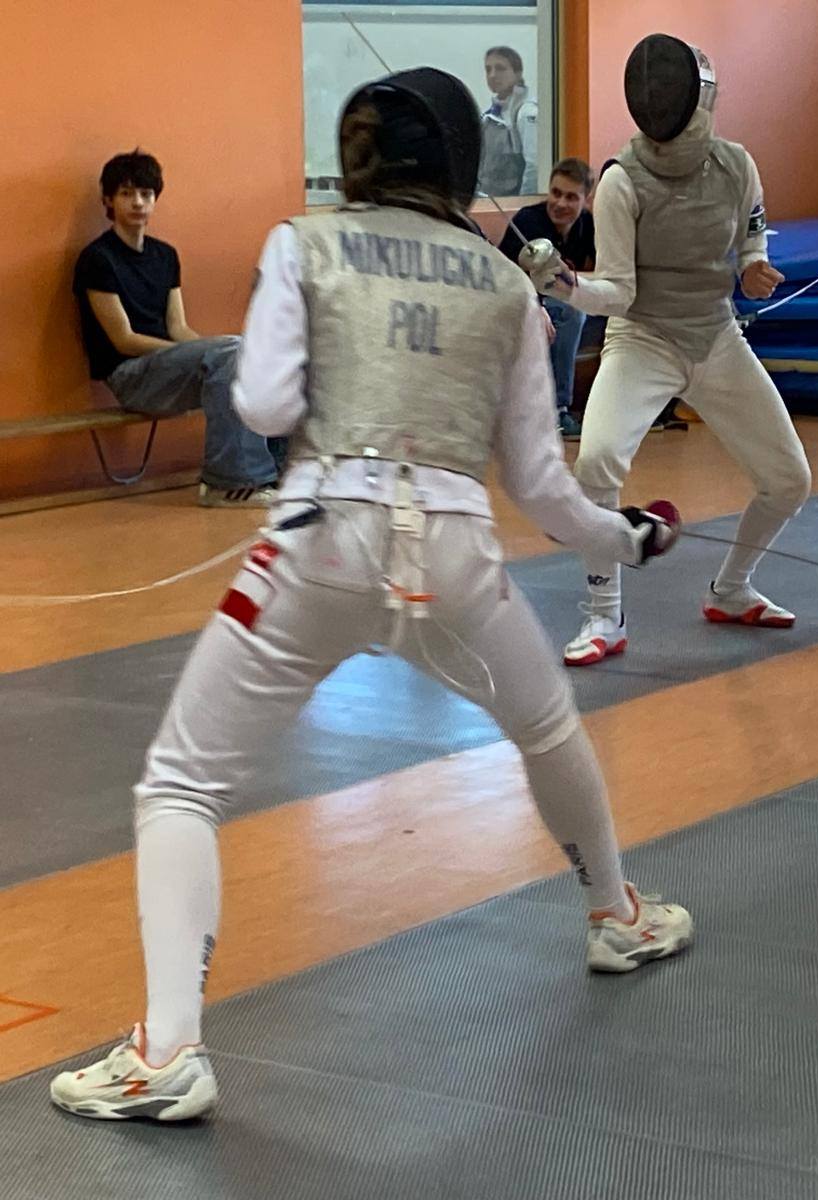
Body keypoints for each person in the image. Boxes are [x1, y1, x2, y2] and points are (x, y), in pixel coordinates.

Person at [49, 68, 692, 1125]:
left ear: (357, 157)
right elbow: (541, 487)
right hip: (455, 559)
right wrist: (627, 537)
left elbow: (263, 404)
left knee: (181, 783)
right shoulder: (506, 288)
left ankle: (167, 1052)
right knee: (546, 730)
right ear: (459, 161)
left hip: (314, 547)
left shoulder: (302, 243)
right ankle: (616, 914)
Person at [519, 33, 812, 668]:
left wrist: (755, 265)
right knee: (597, 461)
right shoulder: (622, 182)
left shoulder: (737, 166)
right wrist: (566, 285)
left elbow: (753, 236)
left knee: (790, 480)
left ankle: (731, 589)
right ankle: (604, 614)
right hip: (643, 340)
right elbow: (619, 293)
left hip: (715, 336)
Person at [74, 150, 281, 506]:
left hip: (169, 369)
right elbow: (124, 340)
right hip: (130, 376)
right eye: (126, 194)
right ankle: (226, 484)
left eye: (146, 194)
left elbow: (179, 327)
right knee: (230, 352)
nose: (138, 202)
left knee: (251, 353)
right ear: (108, 200)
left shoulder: (165, 255)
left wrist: (217, 350)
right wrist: (204, 353)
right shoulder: (97, 259)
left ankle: (279, 471)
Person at [498, 158, 597, 440]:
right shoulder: (527, 221)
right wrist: (536, 305)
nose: (560, 203)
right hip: (523, 307)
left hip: (565, 309)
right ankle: (558, 410)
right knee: (571, 313)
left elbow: (601, 275)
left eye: (571, 197)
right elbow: (506, 278)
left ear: (586, 199)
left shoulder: (588, 225)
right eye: (556, 193)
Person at [478, 45, 538, 197]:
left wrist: (523, 204)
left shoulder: (526, 112)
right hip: (489, 203)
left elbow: (534, 166)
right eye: (488, 69)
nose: (492, 75)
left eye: (500, 68)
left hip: (511, 205)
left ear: (517, 73)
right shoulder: (490, 116)